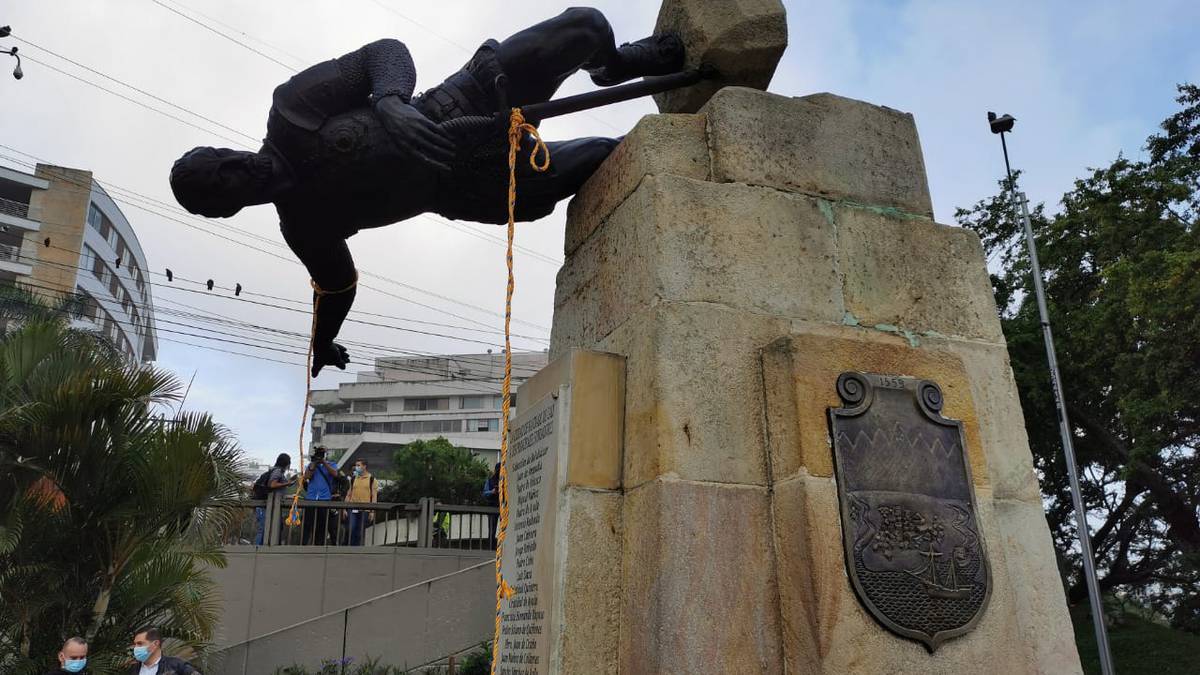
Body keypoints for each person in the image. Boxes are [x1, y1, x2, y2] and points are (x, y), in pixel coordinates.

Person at [169, 8, 684, 377]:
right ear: (228, 208)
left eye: (224, 163)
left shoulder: (292, 112)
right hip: (471, 184)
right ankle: (682, 140)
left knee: (586, 28)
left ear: (225, 151)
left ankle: (616, 65)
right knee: (610, 156)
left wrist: (391, 102)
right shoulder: (305, 223)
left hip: (463, 97)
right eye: (224, 187)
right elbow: (337, 286)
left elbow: (383, 53)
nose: (237, 171)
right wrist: (321, 344)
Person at [251, 453, 295, 545]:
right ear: (286, 463)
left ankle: (262, 548)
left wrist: (289, 496)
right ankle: (257, 550)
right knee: (262, 529)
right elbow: (272, 485)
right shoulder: (278, 471)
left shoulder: (276, 471)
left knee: (267, 528)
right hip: (264, 505)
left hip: (268, 504)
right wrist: (287, 483)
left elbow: (277, 492)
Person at [301, 446, 338, 545]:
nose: (320, 455)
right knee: (307, 525)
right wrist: (314, 463)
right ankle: (303, 545)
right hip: (311, 498)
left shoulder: (332, 464)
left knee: (321, 526)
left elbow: (335, 474)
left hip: (324, 498)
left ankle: (318, 546)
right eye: (319, 453)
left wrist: (324, 462)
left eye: (322, 453)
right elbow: (306, 477)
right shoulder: (311, 465)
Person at [127, 627, 201, 675]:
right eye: (135, 644)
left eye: (140, 643)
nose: (136, 648)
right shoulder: (132, 669)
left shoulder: (177, 666)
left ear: (155, 644)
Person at [345, 458, 378, 546]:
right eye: (356, 465)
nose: (356, 467)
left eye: (358, 465)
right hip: (352, 508)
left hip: (365, 510)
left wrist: (372, 511)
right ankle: (349, 548)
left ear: (364, 466)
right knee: (351, 528)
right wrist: (344, 508)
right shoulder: (353, 479)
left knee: (359, 531)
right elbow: (349, 494)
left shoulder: (372, 479)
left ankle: (355, 549)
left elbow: (374, 496)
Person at [483, 462, 500, 549]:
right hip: (492, 506)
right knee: (492, 528)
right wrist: (492, 492)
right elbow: (485, 493)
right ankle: (491, 545)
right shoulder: (489, 481)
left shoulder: (504, 480)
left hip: (501, 507)